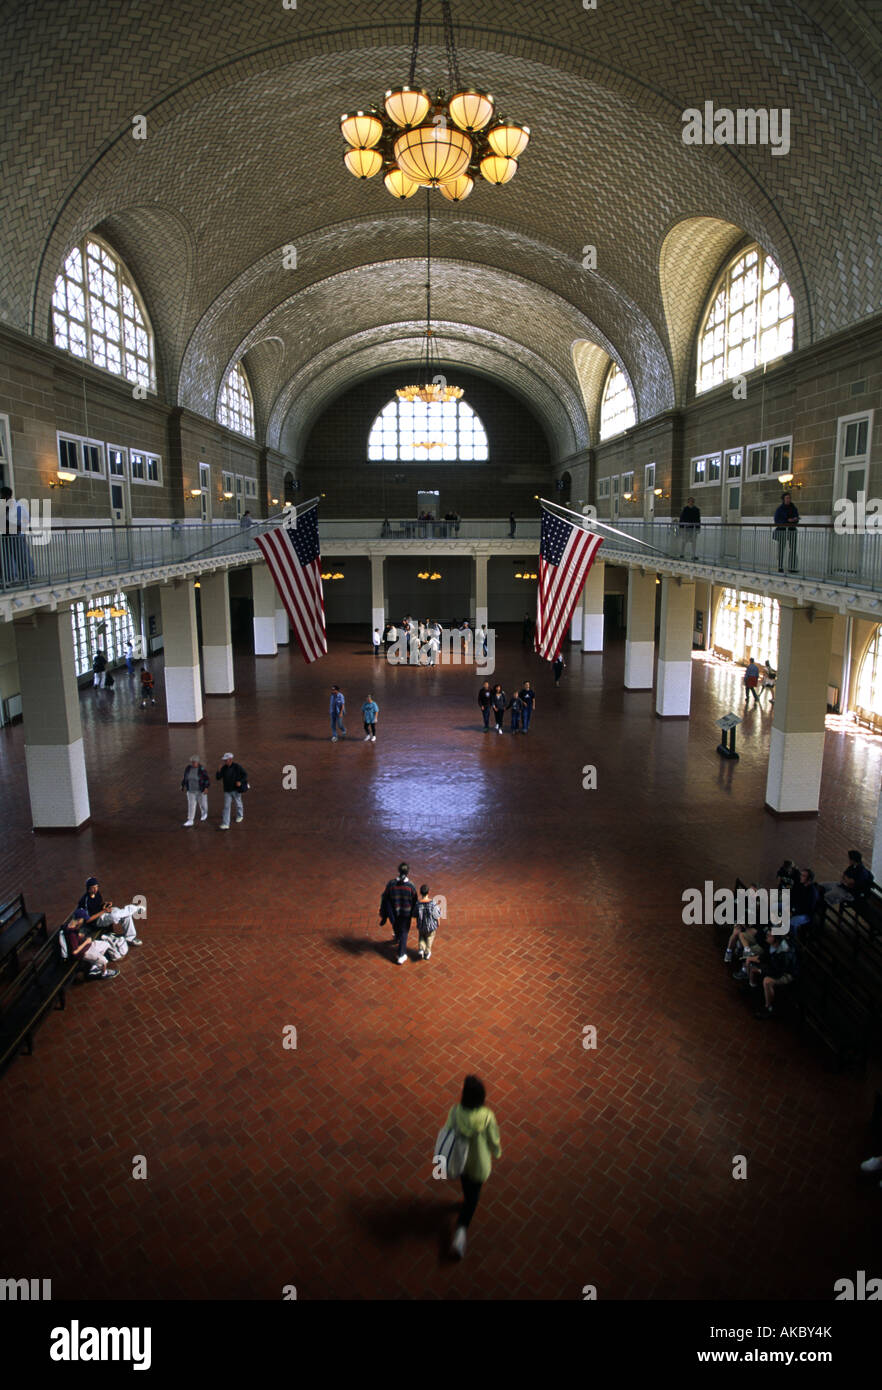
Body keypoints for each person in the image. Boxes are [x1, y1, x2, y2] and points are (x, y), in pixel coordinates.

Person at [446, 1075, 502, 1260]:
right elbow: (493, 1139)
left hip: (461, 1164)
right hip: (479, 1165)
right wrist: (496, 1151)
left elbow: (447, 1133)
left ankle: (465, 1204)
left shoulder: (455, 1113)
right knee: (473, 1199)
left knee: (467, 1188)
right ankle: (461, 1232)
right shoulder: (487, 1117)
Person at [76, 876, 143, 949]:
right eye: (93, 887)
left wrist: (105, 904)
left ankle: (130, 938)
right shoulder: (85, 900)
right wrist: (103, 911)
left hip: (104, 913)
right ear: (88, 889)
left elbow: (99, 904)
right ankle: (133, 908)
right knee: (115, 916)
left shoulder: (96, 893)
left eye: (97, 887)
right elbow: (88, 920)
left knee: (126, 916)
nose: (96, 889)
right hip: (96, 921)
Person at [63, 909, 120, 980]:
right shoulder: (71, 934)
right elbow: (74, 952)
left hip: (88, 945)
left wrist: (81, 936)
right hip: (84, 952)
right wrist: (86, 942)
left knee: (106, 944)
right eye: (83, 919)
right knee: (104, 961)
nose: (83, 921)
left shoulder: (69, 926)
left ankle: (95, 966)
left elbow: (73, 937)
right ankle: (104, 973)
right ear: (79, 919)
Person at [379, 862, 418, 965]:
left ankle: (397, 937)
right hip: (406, 913)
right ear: (408, 872)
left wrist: (384, 913)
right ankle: (401, 955)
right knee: (404, 932)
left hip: (394, 912)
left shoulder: (391, 884)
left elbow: (385, 898)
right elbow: (415, 901)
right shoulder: (411, 886)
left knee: (396, 926)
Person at [0, 486, 34, 580]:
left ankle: (28, 575)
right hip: (8, 536)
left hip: (17, 535)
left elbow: (25, 520)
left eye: (1, 496)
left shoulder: (17, 506)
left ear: (6, 496)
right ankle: (16, 576)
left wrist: (15, 527)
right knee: (10, 558)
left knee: (22, 556)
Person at [216, 752, 247, 829]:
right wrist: (218, 771)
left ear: (230, 760)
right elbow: (218, 778)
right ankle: (226, 823)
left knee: (238, 803)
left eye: (226, 760)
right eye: (224, 760)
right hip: (227, 790)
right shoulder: (223, 768)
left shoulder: (237, 767)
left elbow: (245, 774)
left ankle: (240, 815)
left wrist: (240, 781)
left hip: (236, 790)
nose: (225, 761)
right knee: (226, 807)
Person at [773, 490, 799, 572]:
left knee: (793, 549)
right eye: (787, 498)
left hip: (792, 530)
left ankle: (792, 567)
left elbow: (797, 517)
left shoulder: (793, 508)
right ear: (783, 499)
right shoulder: (780, 509)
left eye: (789, 498)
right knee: (781, 549)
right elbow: (777, 520)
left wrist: (794, 519)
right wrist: (787, 521)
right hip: (782, 531)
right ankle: (780, 567)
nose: (788, 500)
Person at [181, 755, 210, 826]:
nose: (193, 763)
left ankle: (204, 813)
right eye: (192, 762)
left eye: (194, 762)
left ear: (198, 762)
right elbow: (185, 777)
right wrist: (182, 785)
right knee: (191, 805)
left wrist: (206, 787)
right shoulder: (188, 768)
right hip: (190, 791)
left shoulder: (202, 769)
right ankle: (190, 820)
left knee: (203, 805)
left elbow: (207, 779)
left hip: (200, 791)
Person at [416, 885, 440, 960]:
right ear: (428, 892)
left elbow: (414, 914)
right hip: (431, 926)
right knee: (430, 938)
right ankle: (427, 952)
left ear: (420, 893)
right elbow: (436, 914)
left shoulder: (418, 904)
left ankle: (421, 949)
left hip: (421, 925)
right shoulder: (433, 903)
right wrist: (438, 922)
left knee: (421, 937)